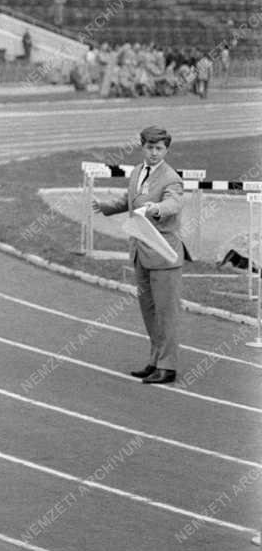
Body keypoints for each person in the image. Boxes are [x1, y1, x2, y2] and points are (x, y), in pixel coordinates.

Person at [91, 126, 186, 384]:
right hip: (140, 252)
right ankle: (156, 360)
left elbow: (174, 203)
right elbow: (130, 200)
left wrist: (156, 208)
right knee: (149, 312)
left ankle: (168, 367)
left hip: (163, 254)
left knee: (166, 313)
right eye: (149, 147)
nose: (153, 153)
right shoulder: (137, 171)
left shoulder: (171, 178)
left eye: (159, 149)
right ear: (142, 147)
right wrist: (107, 207)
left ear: (166, 150)